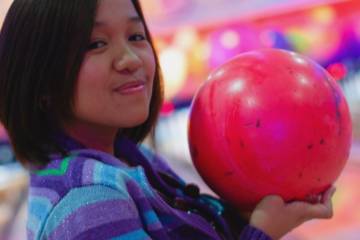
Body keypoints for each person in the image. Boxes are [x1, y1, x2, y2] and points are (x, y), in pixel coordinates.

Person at [0, 0, 335, 239]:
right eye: (96, 44)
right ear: (41, 80)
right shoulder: (89, 204)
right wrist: (261, 233)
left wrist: (252, 217)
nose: (130, 59)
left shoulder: (133, 159)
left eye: (135, 36)